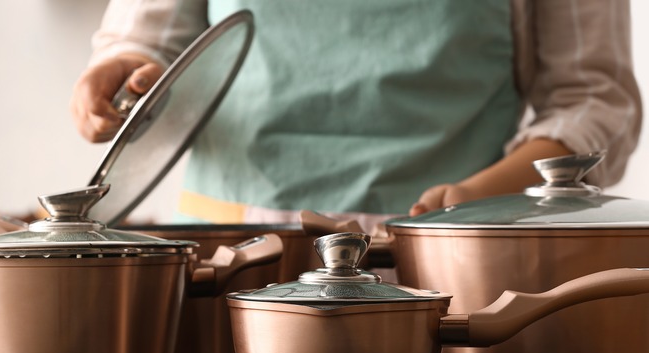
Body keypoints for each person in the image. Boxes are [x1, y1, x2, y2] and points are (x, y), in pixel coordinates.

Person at [70, 0, 641, 230]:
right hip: (226, 262)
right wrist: (125, 71)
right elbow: (149, 39)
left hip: (445, 269)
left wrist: (485, 194)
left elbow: (592, 98)